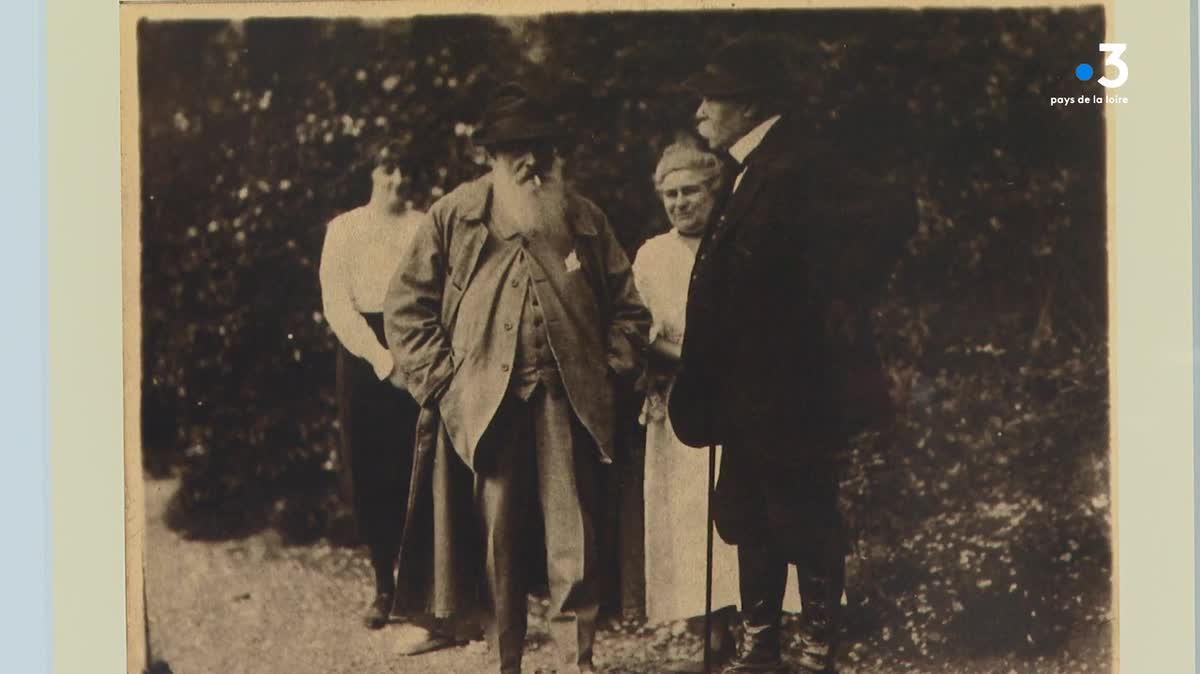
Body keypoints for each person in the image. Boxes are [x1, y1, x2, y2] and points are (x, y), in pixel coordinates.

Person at [382, 82, 651, 674]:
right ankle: (505, 663)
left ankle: (576, 661)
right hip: (485, 403)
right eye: (515, 149)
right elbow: (404, 306)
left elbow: (631, 307)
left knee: (571, 538)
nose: (530, 160)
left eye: (541, 147)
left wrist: (609, 367)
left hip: (568, 400)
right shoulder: (454, 215)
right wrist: (443, 381)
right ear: (490, 156)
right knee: (496, 541)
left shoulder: (583, 217)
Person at [669, 38, 915, 673]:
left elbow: (892, 209)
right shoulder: (751, 168)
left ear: (747, 105)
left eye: (710, 98)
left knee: (800, 508)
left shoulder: (799, 163)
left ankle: (815, 642)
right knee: (748, 510)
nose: (699, 111)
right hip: (742, 390)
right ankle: (762, 642)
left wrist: (836, 304)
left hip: (789, 387)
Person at [318, 142, 451, 652]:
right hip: (364, 354)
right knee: (371, 468)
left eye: (405, 170)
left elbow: (439, 293)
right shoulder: (344, 229)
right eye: (388, 168)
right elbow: (337, 305)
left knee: (421, 467)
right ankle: (384, 584)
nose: (397, 180)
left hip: (417, 344)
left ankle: (428, 590)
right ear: (372, 171)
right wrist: (381, 360)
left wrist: (417, 358)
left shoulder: (424, 225)